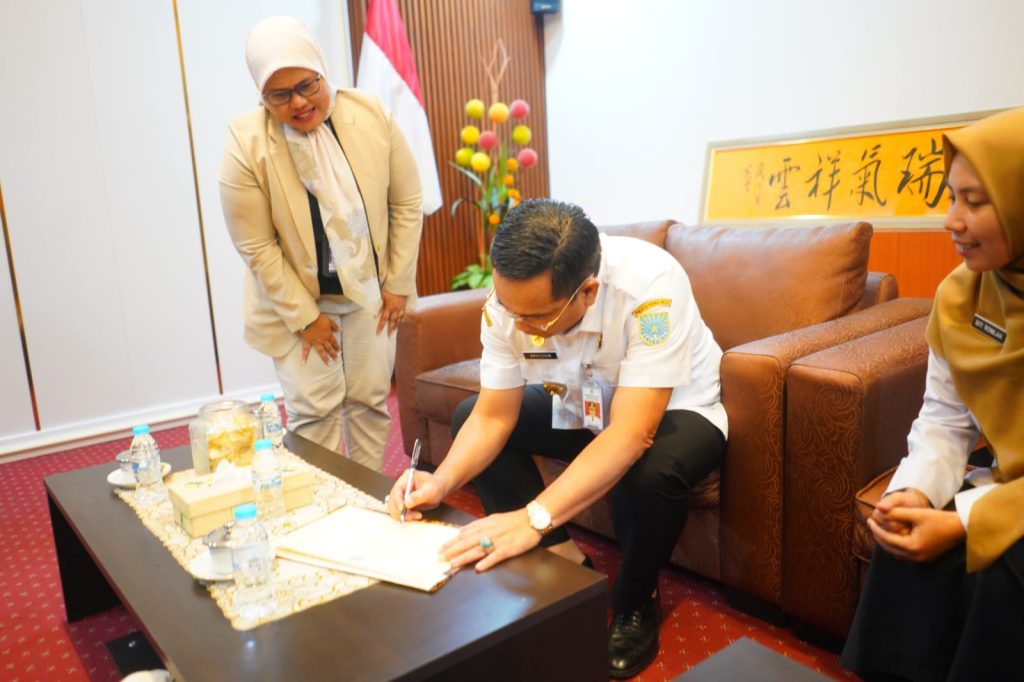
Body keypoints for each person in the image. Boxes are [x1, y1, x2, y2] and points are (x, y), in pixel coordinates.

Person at [386, 199, 728, 678]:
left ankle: (635, 600)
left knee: (650, 470)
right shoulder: (510, 305)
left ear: (587, 292)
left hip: (677, 409)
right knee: (467, 416)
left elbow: (632, 432)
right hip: (585, 407)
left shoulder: (650, 286)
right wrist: (439, 482)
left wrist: (533, 517)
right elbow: (493, 417)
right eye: (507, 308)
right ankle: (564, 562)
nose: (516, 325)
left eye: (534, 318)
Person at [841, 107, 1024, 681]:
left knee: (1005, 564)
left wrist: (968, 521)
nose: (951, 221)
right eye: (951, 197)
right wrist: (916, 491)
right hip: (1007, 481)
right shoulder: (961, 296)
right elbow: (945, 420)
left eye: (975, 201)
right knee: (903, 541)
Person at [219, 17, 423, 472]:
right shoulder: (246, 142)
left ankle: (368, 500)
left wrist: (397, 283)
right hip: (297, 303)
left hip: (371, 293)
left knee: (370, 403)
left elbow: (407, 201)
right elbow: (256, 246)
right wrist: (305, 318)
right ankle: (326, 506)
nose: (298, 102)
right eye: (279, 95)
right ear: (261, 95)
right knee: (315, 414)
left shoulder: (370, 115)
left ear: (321, 71)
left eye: (307, 85)